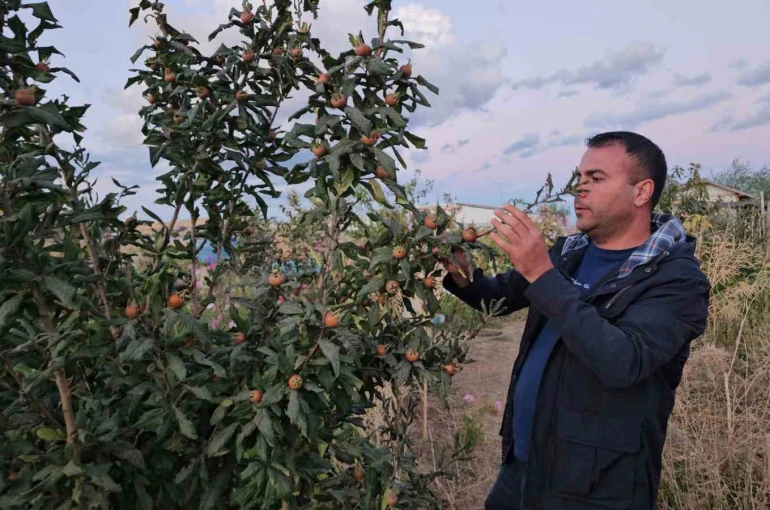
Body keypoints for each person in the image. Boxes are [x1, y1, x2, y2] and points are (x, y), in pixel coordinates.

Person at [441, 131, 710, 509]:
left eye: (596, 179)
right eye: (579, 178)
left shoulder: (676, 279)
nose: (578, 190)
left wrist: (541, 273)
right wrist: (459, 272)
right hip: (521, 470)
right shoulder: (569, 252)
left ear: (641, 192)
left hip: (596, 491)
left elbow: (623, 361)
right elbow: (497, 299)